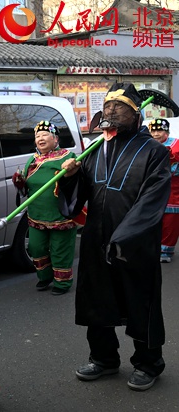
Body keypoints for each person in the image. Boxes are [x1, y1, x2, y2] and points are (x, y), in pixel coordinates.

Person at [59, 83, 171, 391]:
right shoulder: (95, 149)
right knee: (97, 300)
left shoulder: (154, 152)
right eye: (107, 106)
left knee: (140, 302)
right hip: (96, 239)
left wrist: (124, 237)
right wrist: (70, 179)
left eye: (119, 107)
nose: (110, 112)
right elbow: (79, 199)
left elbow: (151, 201)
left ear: (136, 114)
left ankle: (148, 363)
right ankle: (104, 358)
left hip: (134, 243)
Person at [12, 120, 78, 295]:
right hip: (36, 214)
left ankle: (62, 283)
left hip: (60, 214)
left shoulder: (67, 157)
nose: (40, 138)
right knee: (35, 247)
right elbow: (26, 188)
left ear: (55, 139)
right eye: (37, 136)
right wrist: (20, 182)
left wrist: (70, 170)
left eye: (45, 135)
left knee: (60, 250)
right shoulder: (32, 160)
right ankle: (45, 276)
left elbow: (77, 180)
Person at [148, 118, 179, 263]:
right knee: (151, 221)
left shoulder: (175, 144)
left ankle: (166, 250)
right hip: (151, 190)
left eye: (159, 130)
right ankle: (151, 248)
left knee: (170, 221)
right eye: (153, 131)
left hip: (173, 190)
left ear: (166, 132)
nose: (156, 134)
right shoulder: (146, 145)